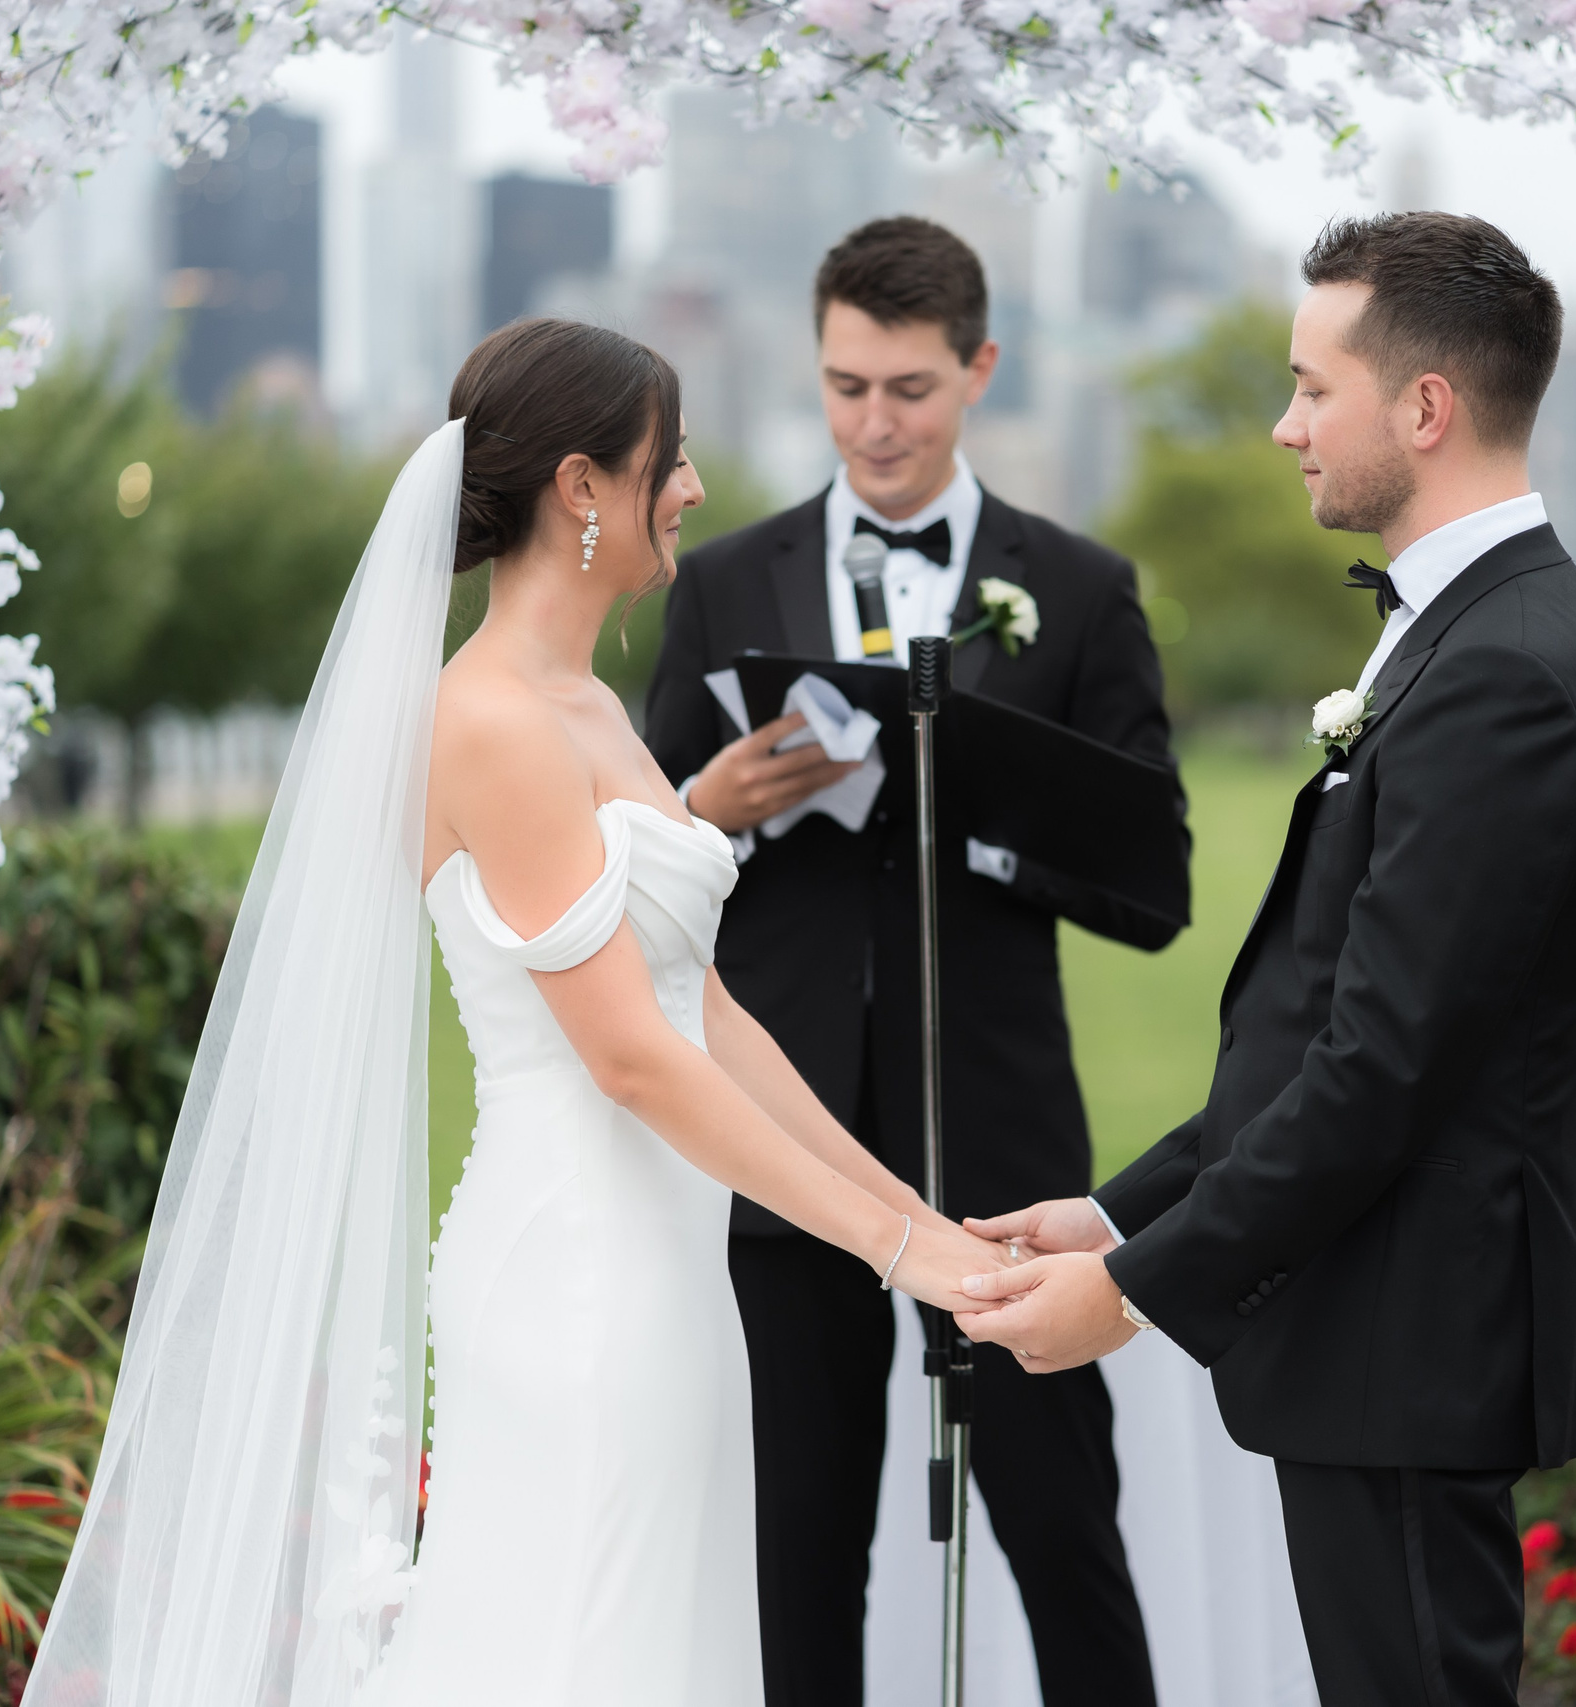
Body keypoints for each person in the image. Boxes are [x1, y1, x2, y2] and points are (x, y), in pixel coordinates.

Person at [20, 319, 1010, 1707]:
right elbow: (627, 1057)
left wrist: (924, 1222)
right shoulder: (490, 721)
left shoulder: (590, 705)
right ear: (580, 485)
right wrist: (900, 1256)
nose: (696, 489)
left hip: (665, 1271)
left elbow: (708, 1012)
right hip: (577, 1278)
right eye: (671, 459)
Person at [958, 211, 1576, 1707]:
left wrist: (1135, 1289)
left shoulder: (1510, 672)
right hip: (1372, 1330)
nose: (1282, 428)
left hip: (1411, 1331)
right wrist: (1105, 1211)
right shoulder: (1462, 634)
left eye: (1309, 387)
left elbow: (1383, 1071)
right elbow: (1323, 1026)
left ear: (1424, 408)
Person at [642, 216, 1179, 1707]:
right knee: (801, 1550)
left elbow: (1157, 890)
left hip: (999, 1145)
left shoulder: (1076, 591)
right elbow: (630, 861)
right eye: (846, 386)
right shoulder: (726, 585)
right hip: (785, 1135)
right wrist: (714, 809)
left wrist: (980, 816)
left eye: (912, 390)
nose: (875, 424)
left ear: (981, 371)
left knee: (1065, 1535)